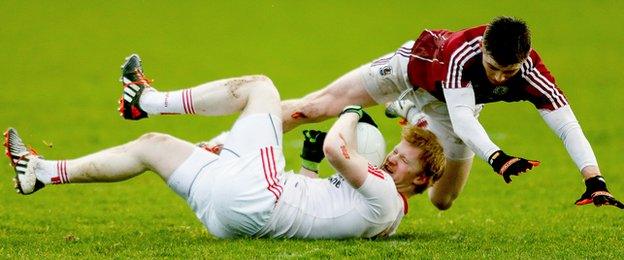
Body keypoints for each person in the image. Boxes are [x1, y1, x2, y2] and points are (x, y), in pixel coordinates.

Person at [3, 54, 446, 239]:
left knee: (260, 88)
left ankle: (146, 100)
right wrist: (307, 165)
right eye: (395, 151)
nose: (391, 158)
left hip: (257, 198)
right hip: (234, 215)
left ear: (421, 180)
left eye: (403, 159)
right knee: (151, 147)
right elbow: (312, 206)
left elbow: (336, 148)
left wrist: (353, 111)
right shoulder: (380, 210)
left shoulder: (387, 195)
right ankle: (41, 173)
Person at [278, 16, 623, 210]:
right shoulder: (462, 53)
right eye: (493, 67)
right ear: (484, 49)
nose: (501, 78)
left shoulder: (532, 73)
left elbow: (566, 124)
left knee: (442, 199)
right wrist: (497, 157)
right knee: (312, 108)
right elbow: (463, 118)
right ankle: (244, 139)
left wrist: (594, 180)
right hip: (407, 71)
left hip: (451, 107)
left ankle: (410, 111)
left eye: (509, 71)